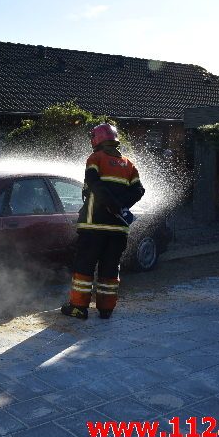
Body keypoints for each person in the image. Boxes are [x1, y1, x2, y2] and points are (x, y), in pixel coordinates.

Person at [61, 123, 145, 320]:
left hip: (93, 227)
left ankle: (78, 308)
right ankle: (106, 309)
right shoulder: (129, 163)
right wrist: (121, 205)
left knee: (84, 266)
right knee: (110, 268)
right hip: (118, 229)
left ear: (96, 139)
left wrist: (111, 203)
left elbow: (94, 183)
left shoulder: (95, 158)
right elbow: (139, 191)